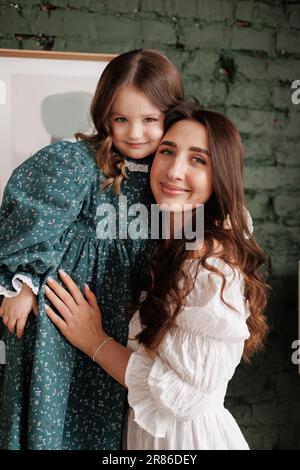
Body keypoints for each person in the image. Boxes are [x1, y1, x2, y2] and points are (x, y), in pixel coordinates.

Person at [43, 101, 270, 450]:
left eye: (198, 159)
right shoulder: (179, 239)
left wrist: (94, 340)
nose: (174, 171)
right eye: (167, 151)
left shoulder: (209, 267)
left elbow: (182, 395)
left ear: (219, 175)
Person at [0, 49, 184, 450]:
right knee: (51, 421)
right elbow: (40, 221)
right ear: (105, 117)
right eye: (122, 119)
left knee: (101, 426)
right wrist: (25, 284)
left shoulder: (168, 177)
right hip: (60, 319)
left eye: (150, 120)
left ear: (170, 117)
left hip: (120, 328)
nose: (135, 133)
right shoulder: (79, 164)